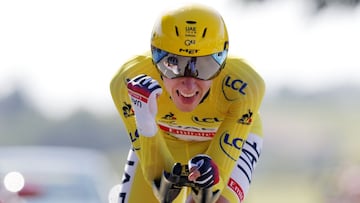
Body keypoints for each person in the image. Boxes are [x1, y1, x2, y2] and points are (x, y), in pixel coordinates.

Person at [110, 3, 265, 203]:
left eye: (205, 67)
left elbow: (210, 194)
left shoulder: (245, 86)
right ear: (155, 59)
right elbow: (163, 188)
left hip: (218, 136)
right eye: (174, 65)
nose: (189, 85)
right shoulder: (128, 82)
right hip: (162, 139)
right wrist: (147, 126)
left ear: (223, 61)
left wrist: (209, 183)